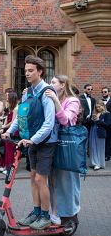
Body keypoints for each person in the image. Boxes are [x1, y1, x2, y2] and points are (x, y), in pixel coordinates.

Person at [2, 55, 57, 230]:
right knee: (33, 177)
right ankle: (36, 212)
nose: (27, 73)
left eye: (30, 70)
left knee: (41, 179)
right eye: (25, 70)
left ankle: (46, 216)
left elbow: (49, 123)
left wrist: (33, 140)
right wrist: (8, 131)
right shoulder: (28, 93)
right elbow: (21, 117)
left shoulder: (47, 92)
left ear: (40, 71)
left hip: (45, 142)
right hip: (30, 141)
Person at [45, 75, 81, 225]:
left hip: (67, 145)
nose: (50, 84)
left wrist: (54, 100)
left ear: (62, 85)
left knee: (67, 180)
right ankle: (54, 212)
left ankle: (70, 213)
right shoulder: (51, 100)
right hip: (52, 144)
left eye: (53, 82)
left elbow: (65, 120)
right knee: (52, 179)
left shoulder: (73, 101)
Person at [0, 92, 19, 175]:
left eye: (7, 96)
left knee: (10, 150)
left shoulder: (16, 108)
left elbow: (13, 122)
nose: (6, 98)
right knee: (5, 149)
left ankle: (9, 168)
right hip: (8, 129)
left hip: (13, 131)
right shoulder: (10, 107)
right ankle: (4, 165)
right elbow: (7, 118)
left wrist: (4, 127)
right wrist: (3, 127)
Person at [89, 101, 111, 170]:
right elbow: (90, 123)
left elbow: (107, 124)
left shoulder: (107, 114)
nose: (98, 108)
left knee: (100, 148)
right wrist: (91, 119)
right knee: (92, 147)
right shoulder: (95, 113)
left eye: (99, 106)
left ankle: (99, 164)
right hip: (93, 131)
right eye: (96, 107)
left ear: (103, 106)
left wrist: (98, 120)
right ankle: (94, 163)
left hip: (100, 132)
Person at [101, 87, 111, 161]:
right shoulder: (100, 101)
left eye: (105, 92)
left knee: (108, 139)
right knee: (103, 139)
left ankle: (107, 155)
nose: (103, 93)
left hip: (110, 123)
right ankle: (103, 154)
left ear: (109, 92)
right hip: (102, 123)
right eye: (102, 92)